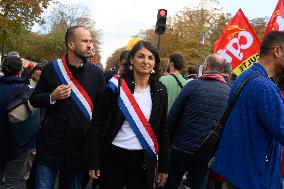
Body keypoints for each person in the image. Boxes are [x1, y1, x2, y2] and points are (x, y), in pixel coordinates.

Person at [29, 26, 105, 189]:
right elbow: (34, 99)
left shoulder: (96, 74)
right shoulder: (52, 68)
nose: (90, 44)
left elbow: (100, 115)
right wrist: (51, 97)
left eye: (90, 40)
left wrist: (94, 153)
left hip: (78, 149)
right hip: (50, 145)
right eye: (85, 41)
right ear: (71, 45)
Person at [88, 41, 169, 189]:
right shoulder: (115, 87)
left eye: (151, 58)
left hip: (143, 160)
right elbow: (97, 124)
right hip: (113, 156)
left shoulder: (161, 91)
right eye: (141, 56)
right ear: (132, 60)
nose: (146, 61)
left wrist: (164, 165)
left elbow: (163, 129)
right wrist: (94, 160)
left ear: (155, 62)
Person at [212, 31, 284, 189]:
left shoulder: (245, 76)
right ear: (277, 51)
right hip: (255, 177)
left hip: (237, 172)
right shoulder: (265, 87)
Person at [165, 54, 230, 189]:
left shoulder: (192, 85)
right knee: (199, 184)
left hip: (181, 146)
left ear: (205, 67)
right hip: (206, 151)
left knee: (171, 183)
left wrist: (167, 141)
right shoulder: (228, 91)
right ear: (222, 70)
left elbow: (174, 114)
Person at [0, 56, 36, 188]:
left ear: (3, 69)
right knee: (13, 181)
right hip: (18, 144)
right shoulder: (28, 90)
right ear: (21, 70)